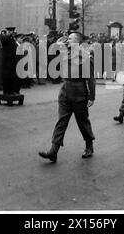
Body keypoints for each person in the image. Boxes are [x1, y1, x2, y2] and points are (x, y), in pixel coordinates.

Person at [39, 32, 96, 162]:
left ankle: (89, 145)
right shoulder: (66, 53)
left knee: (82, 121)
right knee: (61, 121)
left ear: (78, 42)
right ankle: (53, 150)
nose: (67, 41)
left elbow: (91, 79)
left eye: (70, 39)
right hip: (65, 90)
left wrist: (92, 97)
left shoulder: (85, 57)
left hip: (79, 90)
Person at [0, 27, 20, 95]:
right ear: (7, 31)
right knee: (6, 77)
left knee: (12, 77)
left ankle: (11, 90)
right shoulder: (5, 37)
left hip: (12, 60)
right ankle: (6, 91)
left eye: (12, 31)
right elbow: (1, 39)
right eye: (10, 31)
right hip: (6, 61)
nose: (11, 32)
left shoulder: (12, 39)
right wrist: (7, 35)